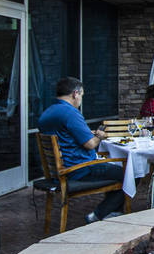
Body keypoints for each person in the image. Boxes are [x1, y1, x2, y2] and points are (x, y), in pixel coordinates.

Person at [37, 76, 126, 224]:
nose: (80, 100)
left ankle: (112, 211)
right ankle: (100, 214)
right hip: (79, 169)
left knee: (116, 170)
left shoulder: (48, 113)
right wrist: (100, 136)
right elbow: (91, 144)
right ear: (75, 94)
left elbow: (65, 136)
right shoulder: (71, 113)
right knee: (130, 173)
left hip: (60, 171)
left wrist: (85, 133)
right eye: (81, 96)